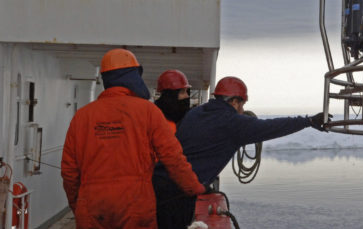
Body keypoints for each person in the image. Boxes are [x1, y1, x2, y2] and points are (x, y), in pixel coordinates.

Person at [153, 76, 331, 228]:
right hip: (177, 193)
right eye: (242, 104)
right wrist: (308, 121)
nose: (243, 110)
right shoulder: (232, 123)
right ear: (234, 101)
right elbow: (272, 127)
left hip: (157, 182)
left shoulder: (196, 112)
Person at [61, 49, 206, 228]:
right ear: (133, 77)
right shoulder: (148, 111)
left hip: (92, 205)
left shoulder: (82, 116)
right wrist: (194, 187)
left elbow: (69, 171)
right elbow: (173, 157)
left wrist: (78, 205)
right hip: (135, 203)